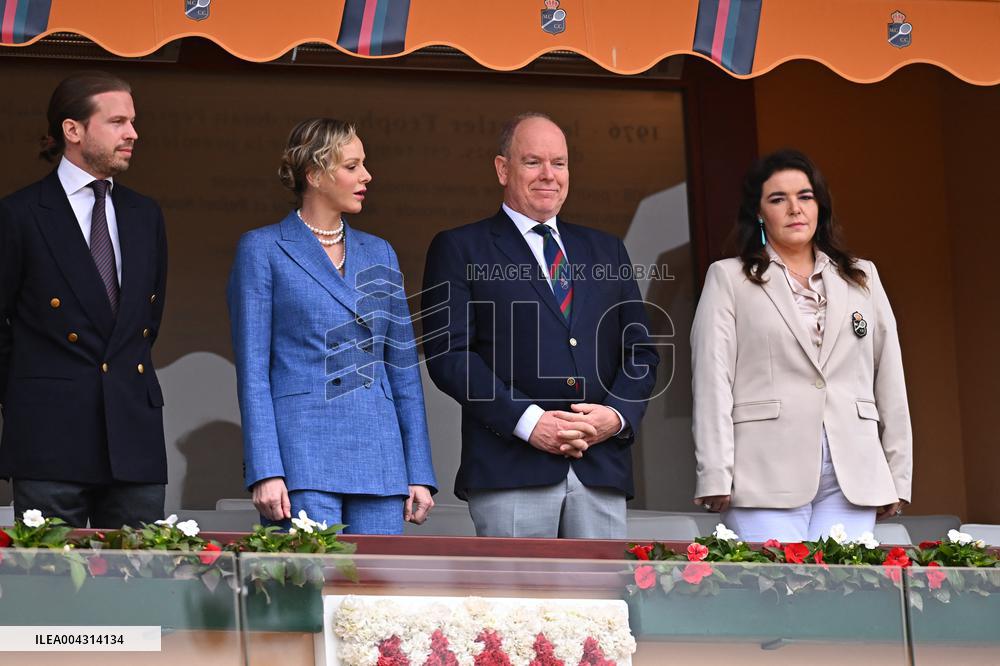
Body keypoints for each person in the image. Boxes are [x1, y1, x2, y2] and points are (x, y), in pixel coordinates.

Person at [421, 112, 659, 539]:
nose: (549, 175)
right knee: (519, 607)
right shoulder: (459, 247)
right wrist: (529, 422)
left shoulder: (606, 250)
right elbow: (449, 356)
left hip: (598, 468)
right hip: (511, 469)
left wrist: (615, 416)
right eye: (533, 162)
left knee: (602, 605)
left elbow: (640, 353)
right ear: (502, 169)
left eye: (560, 163)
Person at [228, 118, 436, 534]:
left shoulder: (380, 251)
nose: (367, 176)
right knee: (308, 591)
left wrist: (419, 470)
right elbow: (253, 371)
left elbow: (403, 371)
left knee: (376, 595)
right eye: (353, 166)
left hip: (380, 457)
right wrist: (266, 468)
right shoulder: (263, 248)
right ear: (316, 174)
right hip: (303, 456)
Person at [691, 149, 911, 542]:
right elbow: (712, 380)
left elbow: (890, 379)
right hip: (765, 470)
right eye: (778, 199)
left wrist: (895, 475)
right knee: (781, 596)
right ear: (758, 212)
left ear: (819, 205)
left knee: (842, 592)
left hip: (855, 470)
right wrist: (715, 472)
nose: (795, 208)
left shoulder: (862, 277)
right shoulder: (728, 278)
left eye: (805, 196)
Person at [0, 71, 168, 528]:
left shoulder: (145, 214)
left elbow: (145, 321)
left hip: (133, 431)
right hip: (49, 434)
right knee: (52, 587)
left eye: (132, 121)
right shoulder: (18, 215)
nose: (133, 133)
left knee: (139, 584)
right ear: (72, 131)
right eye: (117, 122)